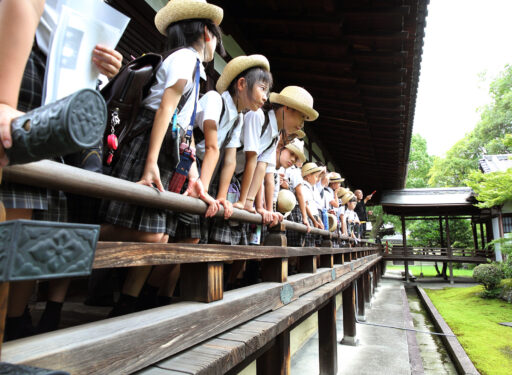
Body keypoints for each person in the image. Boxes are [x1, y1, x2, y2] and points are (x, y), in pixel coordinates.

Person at [0, 0, 122, 340]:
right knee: (18, 208)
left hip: (56, 88)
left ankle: (15, 321)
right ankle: (13, 322)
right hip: (19, 65)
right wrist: (5, 100)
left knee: (35, 215)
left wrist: (103, 68)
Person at [99, 0, 224, 316]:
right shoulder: (185, 58)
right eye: (217, 37)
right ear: (207, 32)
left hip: (168, 145)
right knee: (151, 231)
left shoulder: (195, 69)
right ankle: (77, 239)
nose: (217, 45)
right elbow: (165, 108)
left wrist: (194, 177)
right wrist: (152, 160)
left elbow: (182, 130)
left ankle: (128, 301)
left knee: (161, 231)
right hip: (149, 140)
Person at [139, 54, 272, 306]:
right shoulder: (214, 100)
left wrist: (222, 197)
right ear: (242, 84)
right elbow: (211, 148)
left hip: (205, 176)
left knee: (190, 239)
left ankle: (158, 296)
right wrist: (201, 189)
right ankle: (138, 296)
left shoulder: (239, 117)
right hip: (188, 169)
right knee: (170, 234)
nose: (266, 97)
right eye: (262, 89)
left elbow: (229, 160)